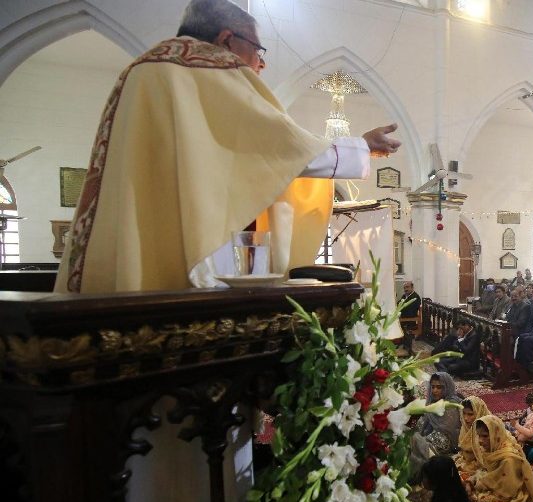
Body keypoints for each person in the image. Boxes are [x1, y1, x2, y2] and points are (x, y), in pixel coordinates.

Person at [55, 0, 401, 293]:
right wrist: (361, 145)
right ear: (227, 39)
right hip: (197, 267)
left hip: (133, 247)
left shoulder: (144, 71)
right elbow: (280, 147)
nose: (259, 62)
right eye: (257, 49)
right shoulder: (210, 69)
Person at [468, 415, 533, 502]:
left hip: (511, 495)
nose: (480, 440)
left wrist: (480, 494)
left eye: (485, 436)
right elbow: (486, 470)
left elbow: (508, 493)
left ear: (496, 434)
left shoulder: (508, 459)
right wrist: (474, 481)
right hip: (495, 484)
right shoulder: (495, 445)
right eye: (479, 435)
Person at [411, 372, 463, 476]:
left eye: (439, 387)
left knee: (419, 452)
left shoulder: (451, 404)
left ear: (447, 388)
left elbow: (448, 430)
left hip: (445, 440)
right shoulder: (431, 402)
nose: (434, 391)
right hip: (431, 436)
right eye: (433, 387)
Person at [456, 397, 492, 474]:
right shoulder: (466, 427)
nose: (465, 418)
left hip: (483, 468)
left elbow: (485, 459)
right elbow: (463, 451)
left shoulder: (487, 430)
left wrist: (465, 467)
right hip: (466, 463)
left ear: (479, 412)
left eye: (470, 414)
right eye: (464, 413)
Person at [398, 280, 421, 354]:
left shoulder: (415, 297)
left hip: (410, 319)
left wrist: (401, 307)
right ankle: (404, 346)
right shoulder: (405, 296)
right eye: (404, 287)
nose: (405, 289)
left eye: (407, 287)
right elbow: (399, 303)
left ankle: (408, 350)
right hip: (403, 317)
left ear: (412, 287)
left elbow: (409, 309)